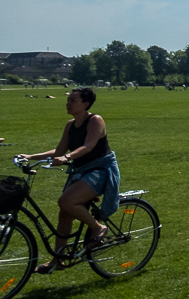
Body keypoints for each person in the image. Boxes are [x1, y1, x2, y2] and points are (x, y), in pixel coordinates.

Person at [16, 88, 119, 273]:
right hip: (81, 171)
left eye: (73, 100)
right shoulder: (70, 125)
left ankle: (98, 228)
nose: (68, 103)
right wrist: (30, 156)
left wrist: (67, 158)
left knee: (66, 201)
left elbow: (88, 146)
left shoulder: (95, 120)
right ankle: (57, 260)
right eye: (68, 100)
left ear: (85, 104)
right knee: (65, 212)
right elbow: (58, 152)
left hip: (100, 170)